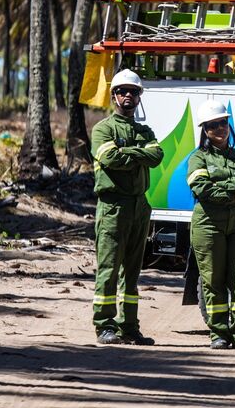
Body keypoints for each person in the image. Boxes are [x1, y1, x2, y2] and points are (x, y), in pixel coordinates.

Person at [90, 68, 164, 345]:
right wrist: (138, 153)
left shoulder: (144, 130)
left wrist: (128, 152)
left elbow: (156, 155)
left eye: (133, 92)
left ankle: (129, 326)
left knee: (132, 272)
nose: (128, 96)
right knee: (109, 269)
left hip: (139, 206)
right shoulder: (103, 128)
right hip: (113, 206)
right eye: (123, 91)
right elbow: (110, 158)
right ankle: (104, 325)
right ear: (114, 96)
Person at [186, 100, 235, 351]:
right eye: (213, 125)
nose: (220, 129)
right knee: (213, 279)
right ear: (205, 130)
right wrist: (234, 194)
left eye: (223, 123)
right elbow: (201, 189)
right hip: (208, 224)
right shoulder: (197, 158)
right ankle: (219, 333)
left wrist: (224, 191)